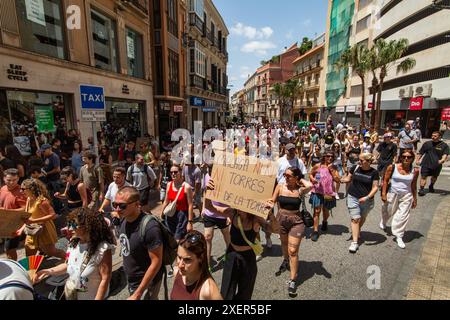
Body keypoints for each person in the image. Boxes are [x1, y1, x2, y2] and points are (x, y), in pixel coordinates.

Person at [204, 180, 273, 300]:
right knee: (226, 293)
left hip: (248, 258)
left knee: (245, 294)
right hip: (231, 255)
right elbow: (209, 207)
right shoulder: (232, 213)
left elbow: (274, 229)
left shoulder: (255, 219)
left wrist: (270, 214)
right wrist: (208, 193)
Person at [34, 208, 115, 300]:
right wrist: (47, 271)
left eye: (73, 224)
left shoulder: (102, 249)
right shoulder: (73, 243)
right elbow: (67, 265)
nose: (69, 228)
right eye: (69, 224)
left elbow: (105, 278)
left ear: (87, 226)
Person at [266, 167, 311, 297]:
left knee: (293, 251)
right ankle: (286, 260)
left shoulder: (300, 190)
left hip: (296, 221)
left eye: (288, 175)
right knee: (284, 245)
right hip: (281, 219)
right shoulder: (280, 187)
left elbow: (310, 185)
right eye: (284, 175)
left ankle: (292, 280)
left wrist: (300, 178)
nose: (285, 177)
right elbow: (272, 201)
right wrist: (269, 205)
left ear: (296, 177)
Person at [115, 187, 164, 300]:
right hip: (132, 280)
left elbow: (156, 261)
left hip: (146, 282)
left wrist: (138, 293)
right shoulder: (124, 219)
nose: (117, 209)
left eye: (122, 205)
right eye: (115, 204)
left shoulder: (150, 227)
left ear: (137, 204)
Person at [341, 153, 379, 253]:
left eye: (362, 160)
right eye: (359, 160)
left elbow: (375, 187)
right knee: (355, 219)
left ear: (368, 161)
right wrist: (339, 179)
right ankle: (354, 242)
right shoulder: (355, 168)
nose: (359, 162)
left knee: (362, 218)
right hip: (352, 196)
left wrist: (366, 197)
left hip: (367, 200)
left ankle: (357, 231)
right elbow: (348, 179)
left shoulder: (374, 172)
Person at [381, 150, 419, 249]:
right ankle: (384, 221)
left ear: (412, 158)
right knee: (387, 212)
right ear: (401, 157)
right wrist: (384, 193)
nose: (406, 158)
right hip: (393, 193)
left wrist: (415, 199)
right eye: (404, 156)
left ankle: (399, 235)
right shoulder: (392, 167)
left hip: (407, 195)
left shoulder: (415, 171)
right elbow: (385, 180)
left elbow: (414, 185)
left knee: (402, 216)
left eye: (409, 157)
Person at [20, 179, 65, 259]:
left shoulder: (41, 201)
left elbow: (52, 215)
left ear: (31, 189)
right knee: (29, 252)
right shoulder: (29, 199)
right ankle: (31, 271)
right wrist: (21, 230)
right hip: (32, 230)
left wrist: (33, 221)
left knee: (51, 252)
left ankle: (69, 258)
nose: (21, 191)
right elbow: (28, 217)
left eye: (23, 189)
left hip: (44, 230)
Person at [170, 231, 223, 300]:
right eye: (179, 257)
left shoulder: (208, 290)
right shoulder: (176, 272)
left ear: (200, 258)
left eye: (187, 260)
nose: (180, 265)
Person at [201, 167, 231, 269]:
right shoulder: (206, 176)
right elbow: (205, 193)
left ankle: (230, 255)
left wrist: (229, 215)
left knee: (226, 235)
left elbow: (231, 195)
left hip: (222, 212)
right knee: (207, 237)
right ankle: (207, 265)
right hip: (209, 212)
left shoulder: (226, 176)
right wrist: (203, 208)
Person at [309, 152, 340, 242]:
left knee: (326, 211)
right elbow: (311, 173)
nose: (330, 157)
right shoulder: (318, 165)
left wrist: (332, 171)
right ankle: (315, 231)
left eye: (332, 156)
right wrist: (313, 179)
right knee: (317, 211)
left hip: (328, 193)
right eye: (328, 156)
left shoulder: (334, 167)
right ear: (324, 157)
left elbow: (338, 180)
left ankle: (324, 221)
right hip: (317, 191)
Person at [161, 165, 194, 241]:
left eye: (175, 172)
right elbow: (166, 201)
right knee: (171, 238)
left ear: (180, 172)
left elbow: (190, 205)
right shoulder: (169, 184)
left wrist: (190, 222)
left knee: (178, 239)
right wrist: (162, 213)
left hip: (182, 216)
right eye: (171, 172)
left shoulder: (186, 187)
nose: (173, 174)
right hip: (170, 215)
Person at [0, 169, 27, 260]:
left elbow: (25, 209)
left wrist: (8, 211)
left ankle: (15, 267)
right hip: (5, 223)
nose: (12, 182)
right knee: (24, 242)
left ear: (18, 179)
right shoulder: (3, 188)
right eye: (9, 180)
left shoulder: (21, 192)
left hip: (15, 224)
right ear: (4, 178)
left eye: (14, 180)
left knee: (9, 249)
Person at [417, 131, 449, 196]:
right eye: (432, 135)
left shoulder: (444, 145)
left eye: (435, 136)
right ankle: (422, 189)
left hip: (436, 165)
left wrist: (442, 160)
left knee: (434, 177)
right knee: (423, 176)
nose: (433, 137)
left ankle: (431, 185)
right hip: (426, 163)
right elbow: (421, 152)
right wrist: (417, 160)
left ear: (439, 137)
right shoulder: (427, 143)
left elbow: (445, 154)